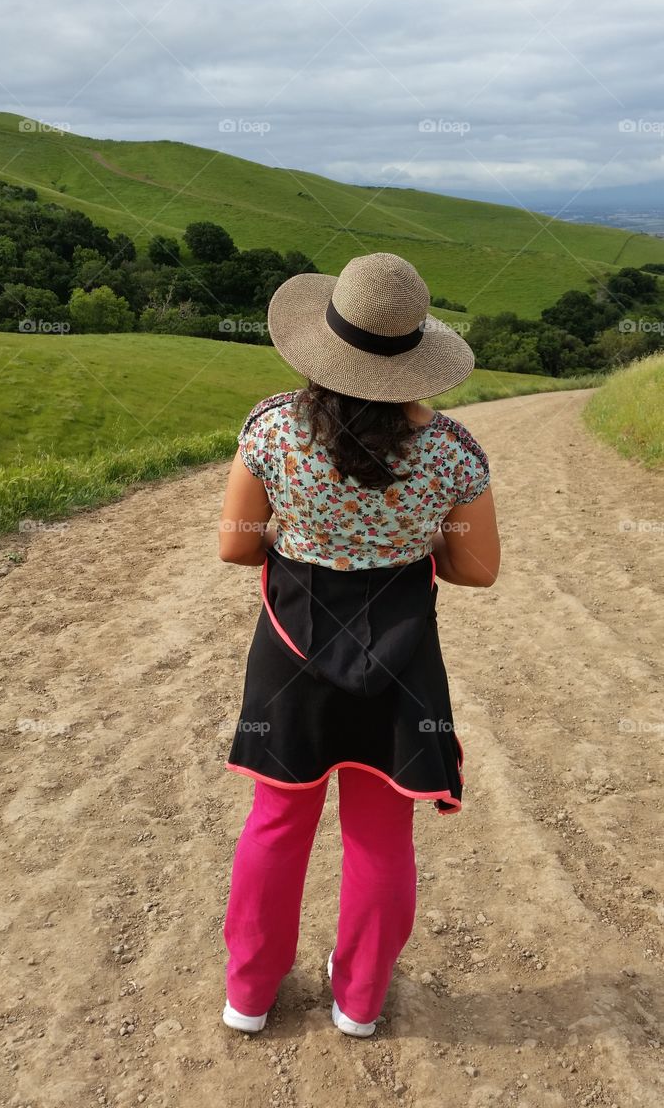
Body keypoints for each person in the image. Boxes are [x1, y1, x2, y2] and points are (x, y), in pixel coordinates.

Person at [217, 251, 500, 1038]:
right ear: (415, 355)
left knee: (276, 821)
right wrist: (418, 542)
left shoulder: (270, 430)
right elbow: (475, 571)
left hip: (289, 647)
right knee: (380, 833)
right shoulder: (452, 452)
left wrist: (305, 533)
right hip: (402, 660)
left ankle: (249, 992)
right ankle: (361, 1000)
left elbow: (236, 548)